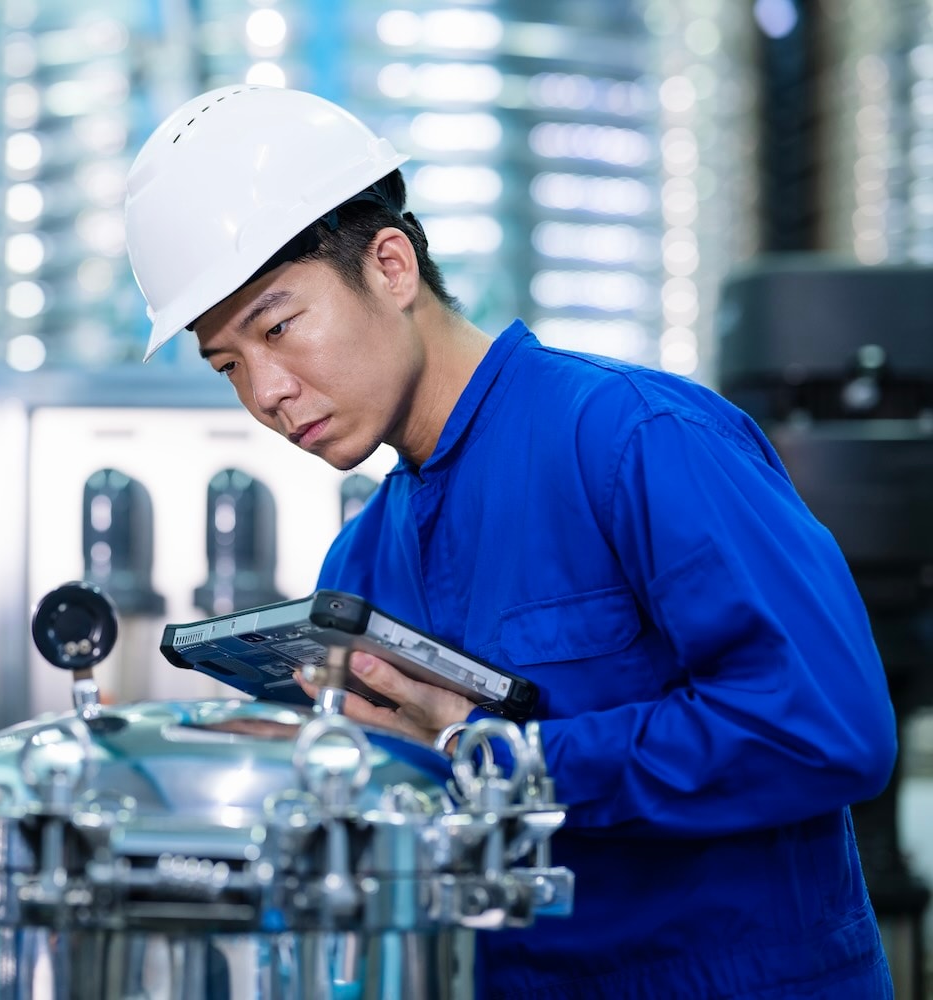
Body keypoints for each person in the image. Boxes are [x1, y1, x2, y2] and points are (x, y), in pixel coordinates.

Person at [123, 84, 898, 998]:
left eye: (278, 328)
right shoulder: (359, 566)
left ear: (390, 265)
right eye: (229, 367)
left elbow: (824, 728)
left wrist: (491, 755)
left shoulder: (634, 438)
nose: (266, 393)